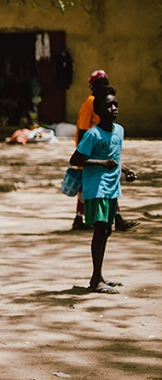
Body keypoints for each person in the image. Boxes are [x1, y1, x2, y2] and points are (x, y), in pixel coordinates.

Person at [68, 88, 137, 294]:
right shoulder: (92, 134)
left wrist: (126, 170)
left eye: (116, 104)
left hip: (112, 188)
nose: (114, 108)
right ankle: (96, 279)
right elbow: (76, 159)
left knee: (106, 231)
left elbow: (115, 157)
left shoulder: (119, 131)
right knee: (99, 231)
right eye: (109, 105)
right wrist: (100, 162)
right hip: (96, 188)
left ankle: (99, 276)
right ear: (97, 110)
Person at [73, 71, 137, 231]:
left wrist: (126, 169)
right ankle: (82, 218)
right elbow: (82, 129)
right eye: (101, 82)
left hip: (101, 150)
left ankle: (112, 218)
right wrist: (84, 152)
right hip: (90, 150)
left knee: (107, 187)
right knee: (88, 187)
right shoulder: (91, 102)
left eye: (106, 82)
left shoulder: (117, 129)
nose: (105, 85)